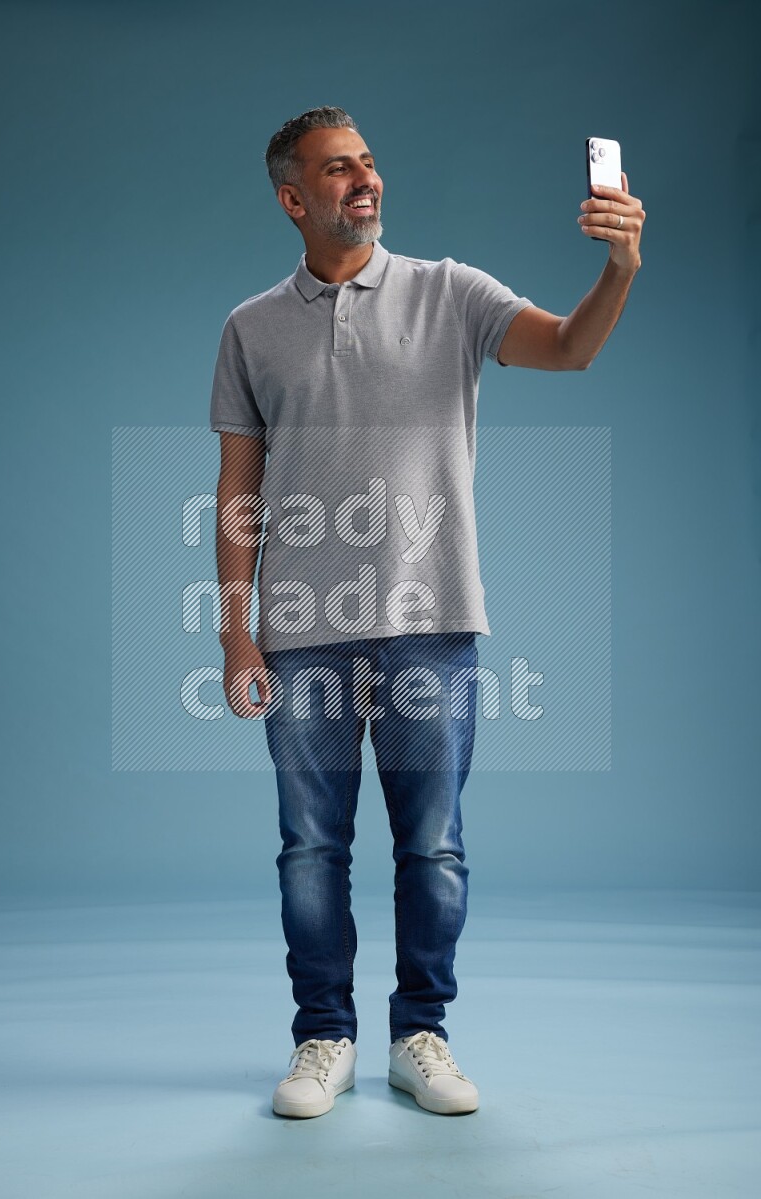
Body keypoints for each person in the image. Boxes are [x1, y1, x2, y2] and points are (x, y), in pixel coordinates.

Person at [210, 107, 645, 1119]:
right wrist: (235, 631)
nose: (362, 179)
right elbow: (238, 491)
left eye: (366, 162)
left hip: (432, 618)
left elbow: (569, 350)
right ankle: (324, 1035)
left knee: (432, 844)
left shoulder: (450, 292)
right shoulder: (248, 328)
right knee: (310, 848)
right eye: (335, 169)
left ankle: (419, 1032)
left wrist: (618, 268)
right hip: (301, 631)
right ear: (291, 198)